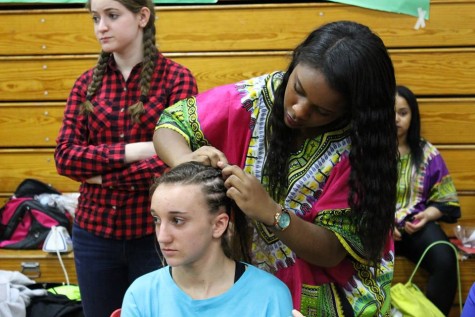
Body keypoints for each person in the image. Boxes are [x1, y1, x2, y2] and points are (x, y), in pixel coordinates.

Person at [154, 21, 398, 316]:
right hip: (248, 285)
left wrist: (270, 212)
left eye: (322, 110)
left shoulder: (360, 148)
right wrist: (186, 161)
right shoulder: (254, 99)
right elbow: (170, 125)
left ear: (350, 110)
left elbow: (332, 252)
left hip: (323, 297)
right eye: (298, 89)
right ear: (294, 64)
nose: (298, 110)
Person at [54, 0, 197, 315]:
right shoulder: (84, 85)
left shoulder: (178, 80)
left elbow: (176, 164)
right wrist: (139, 149)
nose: (101, 27)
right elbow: (65, 157)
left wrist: (103, 176)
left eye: (112, 15)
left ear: (142, 16)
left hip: (154, 233)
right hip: (93, 234)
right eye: (95, 18)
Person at [121, 161, 293, 316]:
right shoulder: (141, 295)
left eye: (177, 220)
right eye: (157, 220)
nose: (162, 236)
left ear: (218, 225)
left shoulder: (269, 295)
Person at [393, 85, 461, 315]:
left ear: (413, 115)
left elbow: (447, 199)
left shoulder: (427, 153)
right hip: (376, 227)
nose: (396, 119)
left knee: (445, 256)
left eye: (403, 113)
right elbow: (354, 198)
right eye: (390, 112)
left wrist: (427, 216)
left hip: (416, 226)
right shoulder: (369, 151)